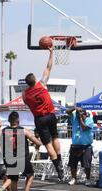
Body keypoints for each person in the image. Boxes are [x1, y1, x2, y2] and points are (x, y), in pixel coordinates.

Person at [22, 47, 64, 181]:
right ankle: (60, 160)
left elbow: (26, 101)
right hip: (50, 115)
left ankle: (58, 167)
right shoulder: (42, 84)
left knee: (47, 144)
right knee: (55, 137)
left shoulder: (25, 95)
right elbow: (48, 66)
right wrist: (51, 52)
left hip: (39, 119)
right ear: (35, 79)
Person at [0, 112, 42, 191]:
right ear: (18, 120)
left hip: (10, 157)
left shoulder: (4, 131)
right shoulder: (23, 131)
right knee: (30, 175)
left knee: (14, 180)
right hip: (22, 157)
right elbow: (37, 142)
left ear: (9, 121)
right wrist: (40, 140)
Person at [66, 107, 95, 186]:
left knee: (87, 165)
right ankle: (73, 178)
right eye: (78, 113)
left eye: (81, 113)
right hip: (75, 145)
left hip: (86, 146)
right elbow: (67, 111)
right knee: (73, 164)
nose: (78, 115)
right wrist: (74, 108)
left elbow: (84, 128)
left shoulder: (89, 120)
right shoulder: (75, 118)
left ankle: (88, 179)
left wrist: (81, 119)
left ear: (85, 114)